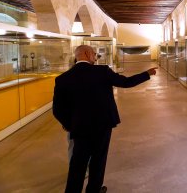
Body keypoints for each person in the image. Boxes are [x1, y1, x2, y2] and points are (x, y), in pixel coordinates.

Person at [53, 45, 157, 193]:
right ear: (87, 54)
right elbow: (125, 82)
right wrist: (146, 74)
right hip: (102, 126)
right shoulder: (102, 71)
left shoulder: (63, 79)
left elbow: (57, 109)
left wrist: (70, 125)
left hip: (79, 129)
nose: (95, 57)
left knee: (78, 163)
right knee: (98, 160)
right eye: (94, 54)